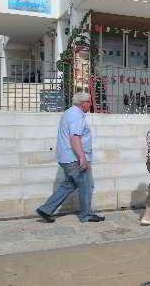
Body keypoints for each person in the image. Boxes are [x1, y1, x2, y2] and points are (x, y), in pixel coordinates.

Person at [36, 92, 104, 223]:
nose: (90, 104)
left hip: (66, 157)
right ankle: (86, 215)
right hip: (73, 158)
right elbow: (75, 137)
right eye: (89, 101)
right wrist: (82, 158)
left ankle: (46, 209)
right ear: (83, 103)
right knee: (86, 185)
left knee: (70, 184)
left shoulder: (70, 112)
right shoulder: (76, 115)